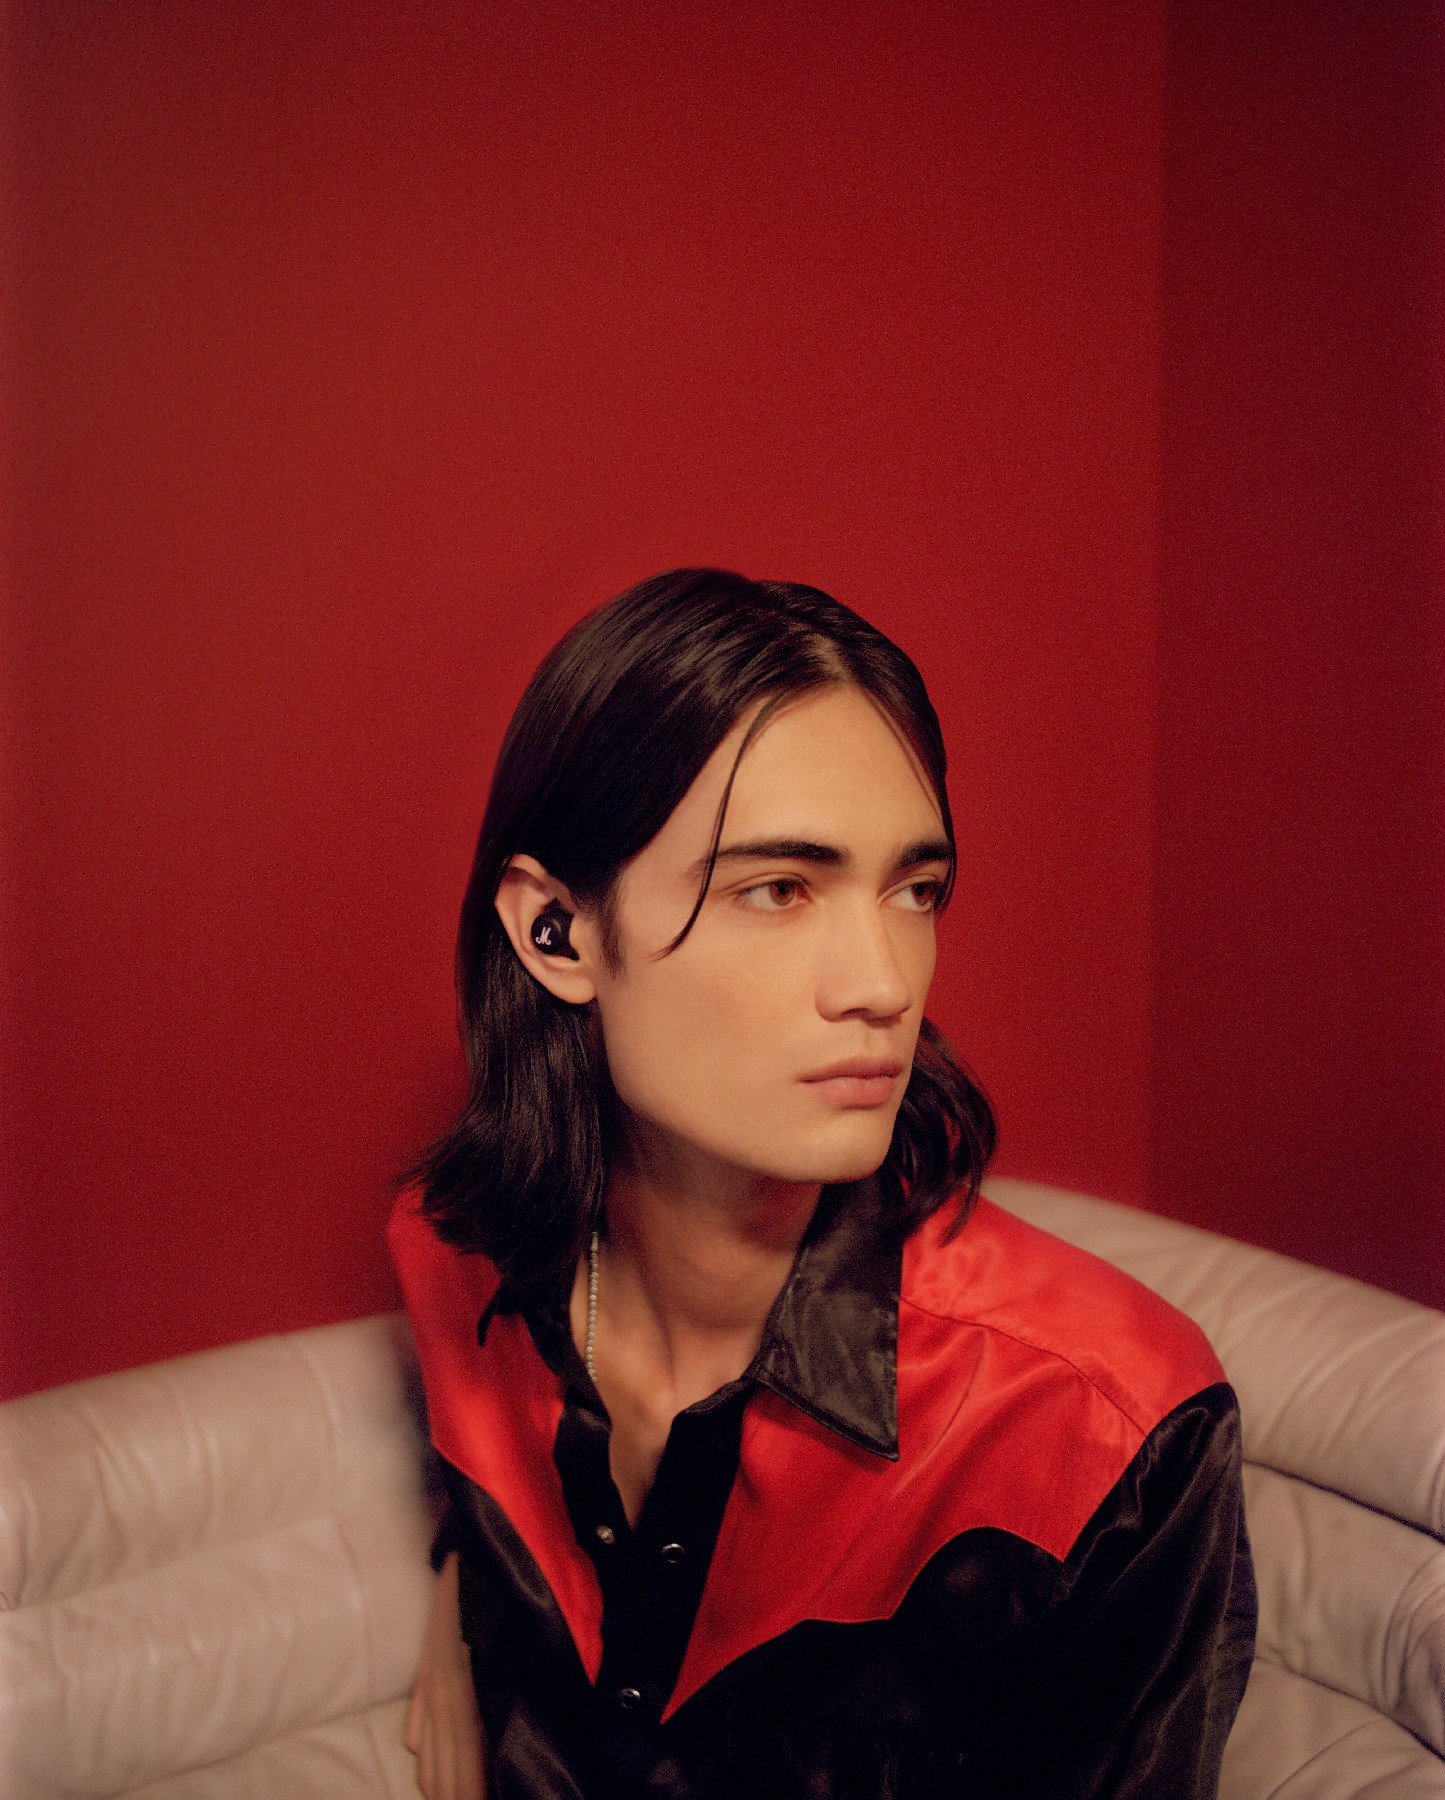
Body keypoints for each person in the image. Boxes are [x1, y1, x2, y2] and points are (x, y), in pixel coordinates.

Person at [389, 568, 1256, 1800]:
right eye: (778, 889)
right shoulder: (450, 1249)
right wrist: (460, 1596)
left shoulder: (1106, 1430)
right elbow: (493, 1461)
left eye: (914, 890)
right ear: (556, 932)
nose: (884, 983)